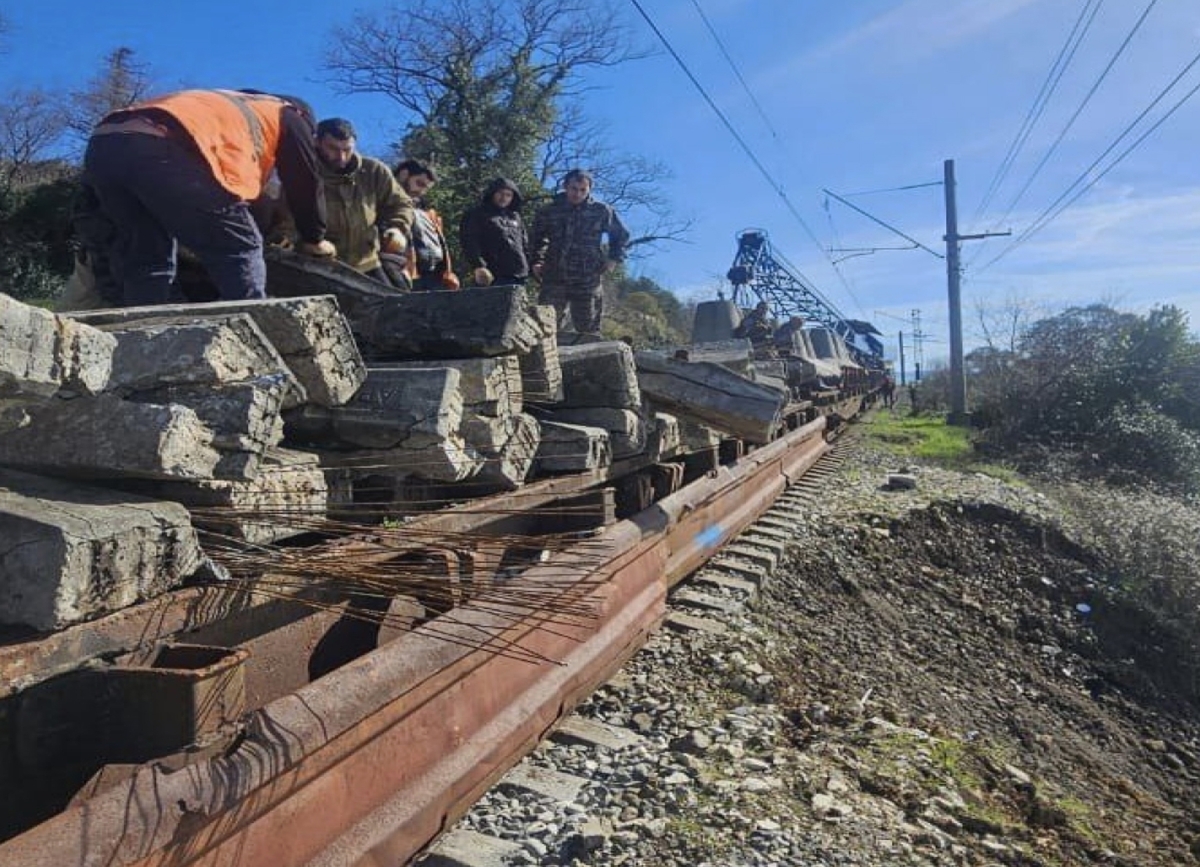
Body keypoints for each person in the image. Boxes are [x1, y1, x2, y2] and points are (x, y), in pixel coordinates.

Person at [81, 88, 333, 306]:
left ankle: (144, 341)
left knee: (147, 255)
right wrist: (314, 237)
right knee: (239, 246)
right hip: (160, 147)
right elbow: (304, 180)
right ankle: (254, 332)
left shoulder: (222, 104)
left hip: (104, 144)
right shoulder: (287, 114)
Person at [309, 118, 413, 284]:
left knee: (395, 306)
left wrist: (398, 228)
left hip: (368, 264)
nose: (341, 157)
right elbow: (286, 220)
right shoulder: (304, 173)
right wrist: (309, 244)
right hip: (320, 268)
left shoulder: (374, 171)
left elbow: (401, 203)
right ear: (317, 143)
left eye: (347, 149)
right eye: (333, 149)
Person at [529, 168, 629, 334]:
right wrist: (537, 261)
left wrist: (613, 259)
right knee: (545, 328)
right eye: (574, 188)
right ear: (565, 186)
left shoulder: (601, 210)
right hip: (554, 276)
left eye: (583, 190)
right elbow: (536, 239)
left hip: (587, 278)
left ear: (589, 190)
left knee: (589, 331)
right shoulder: (549, 210)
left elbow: (621, 235)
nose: (578, 193)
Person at [389, 158, 459, 291]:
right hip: (403, 274)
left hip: (434, 275)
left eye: (425, 188)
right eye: (419, 183)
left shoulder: (428, 212)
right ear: (403, 175)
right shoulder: (385, 203)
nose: (421, 191)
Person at [458, 177, 529, 287]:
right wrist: (478, 265)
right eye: (500, 193)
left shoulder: (515, 217)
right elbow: (469, 241)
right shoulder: (476, 214)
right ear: (492, 193)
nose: (504, 198)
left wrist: (529, 266)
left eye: (508, 195)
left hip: (519, 273)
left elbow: (524, 244)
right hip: (492, 274)